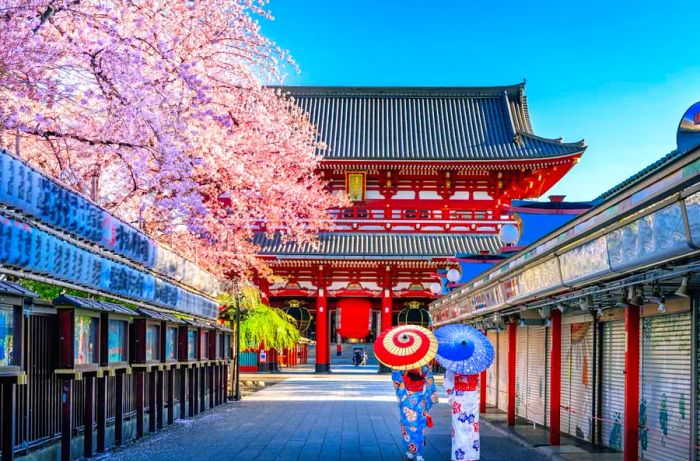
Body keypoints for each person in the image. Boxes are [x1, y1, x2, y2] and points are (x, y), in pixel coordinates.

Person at [392, 365, 438, 461]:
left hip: (407, 400)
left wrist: (403, 393)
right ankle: (418, 454)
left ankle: (411, 452)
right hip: (420, 399)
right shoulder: (423, 363)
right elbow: (429, 381)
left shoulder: (400, 363)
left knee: (409, 426)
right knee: (419, 427)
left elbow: (397, 380)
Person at [443, 370, 480, 461]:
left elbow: (448, 383)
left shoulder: (454, 364)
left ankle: (460, 457)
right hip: (472, 396)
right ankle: (471, 456)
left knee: (459, 428)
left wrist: (451, 396)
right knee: (472, 427)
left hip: (459, 396)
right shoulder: (474, 365)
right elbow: (477, 382)